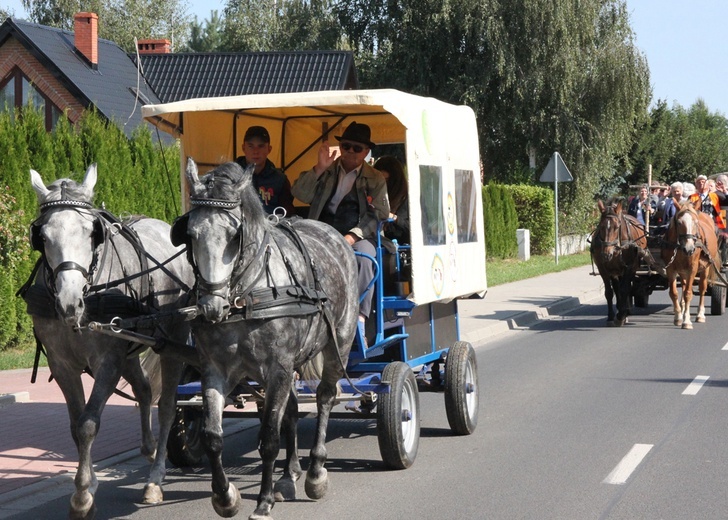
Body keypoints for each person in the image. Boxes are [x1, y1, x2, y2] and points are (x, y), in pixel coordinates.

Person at [291, 121, 390, 343]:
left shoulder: (375, 178)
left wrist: (353, 235)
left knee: (365, 259)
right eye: (346, 146)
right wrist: (319, 167)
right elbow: (299, 193)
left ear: (366, 152)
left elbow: (380, 214)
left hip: (359, 234)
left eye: (357, 148)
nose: (350, 152)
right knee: (294, 256)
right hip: (321, 231)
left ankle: (359, 318)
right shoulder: (326, 171)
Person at [235, 125, 295, 216]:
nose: (256, 151)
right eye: (251, 146)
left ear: (269, 149)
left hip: (271, 226)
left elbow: (287, 213)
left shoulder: (280, 180)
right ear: (243, 148)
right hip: (238, 227)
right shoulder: (231, 177)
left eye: (261, 146)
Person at [373, 156, 410, 245]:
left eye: (386, 180)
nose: (383, 185)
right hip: (376, 242)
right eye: (379, 181)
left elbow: (417, 229)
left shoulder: (408, 198)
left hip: (401, 246)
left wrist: (393, 217)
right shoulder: (373, 193)